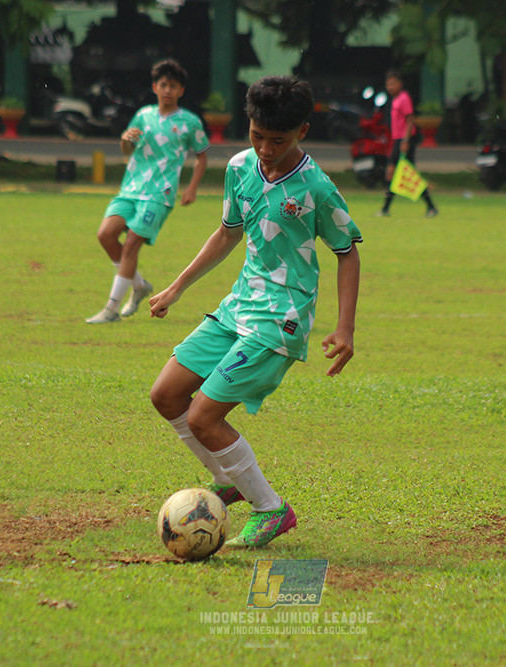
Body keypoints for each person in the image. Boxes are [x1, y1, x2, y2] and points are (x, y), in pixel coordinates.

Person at [148, 75, 362, 549]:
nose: (265, 148)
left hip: (279, 321)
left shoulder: (315, 188)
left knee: (204, 417)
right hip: (238, 307)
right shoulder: (240, 166)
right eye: (257, 135)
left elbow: (347, 251)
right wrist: (177, 287)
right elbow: (228, 232)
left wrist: (344, 326)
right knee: (166, 395)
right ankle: (231, 480)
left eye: (278, 140)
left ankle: (271, 510)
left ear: (302, 132)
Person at [85, 59, 209, 324]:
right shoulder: (143, 115)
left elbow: (202, 157)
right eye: (163, 85)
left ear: (181, 91)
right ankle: (139, 286)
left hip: (159, 194)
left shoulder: (189, 122)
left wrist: (192, 188)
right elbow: (127, 150)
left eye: (173, 86)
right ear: (154, 87)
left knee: (130, 245)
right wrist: (124, 141)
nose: (167, 90)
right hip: (131, 188)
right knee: (105, 235)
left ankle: (111, 310)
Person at [376, 69, 438, 218]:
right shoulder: (395, 99)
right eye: (388, 84)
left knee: (403, 174)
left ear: (400, 84)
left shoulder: (404, 98)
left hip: (404, 141)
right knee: (397, 173)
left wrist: (405, 140)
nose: (390, 87)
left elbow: (410, 120)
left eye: (393, 83)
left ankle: (430, 207)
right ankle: (386, 208)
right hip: (398, 140)